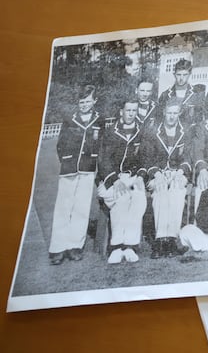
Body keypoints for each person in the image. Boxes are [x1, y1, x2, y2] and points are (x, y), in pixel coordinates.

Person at [48, 85, 103, 265]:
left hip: (87, 169)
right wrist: (67, 160)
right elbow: (60, 144)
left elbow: (100, 144)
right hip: (69, 168)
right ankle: (58, 248)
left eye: (88, 101)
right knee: (64, 207)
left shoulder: (98, 120)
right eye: (81, 102)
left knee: (81, 208)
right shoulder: (69, 119)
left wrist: (94, 162)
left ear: (94, 101)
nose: (84, 105)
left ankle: (75, 246)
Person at [139, 97, 191, 258]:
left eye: (175, 113)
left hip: (177, 173)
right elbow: (147, 157)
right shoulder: (154, 131)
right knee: (161, 193)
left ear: (180, 113)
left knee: (176, 192)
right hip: (158, 173)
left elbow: (188, 157)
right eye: (169, 113)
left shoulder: (186, 130)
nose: (172, 116)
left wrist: (180, 172)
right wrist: (157, 173)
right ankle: (161, 240)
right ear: (164, 112)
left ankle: (172, 239)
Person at [96, 99, 146, 264]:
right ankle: (116, 247)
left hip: (131, 177)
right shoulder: (110, 132)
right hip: (109, 179)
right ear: (121, 112)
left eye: (134, 110)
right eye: (128, 110)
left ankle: (130, 246)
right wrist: (115, 179)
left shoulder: (140, 131)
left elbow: (144, 159)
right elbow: (103, 161)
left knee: (139, 199)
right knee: (122, 198)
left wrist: (139, 176)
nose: (131, 113)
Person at [157, 58, 205, 126]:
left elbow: (201, 119)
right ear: (174, 74)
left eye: (185, 75)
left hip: (191, 133)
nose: (181, 78)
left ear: (189, 74)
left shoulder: (197, 94)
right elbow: (159, 118)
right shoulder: (165, 95)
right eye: (179, 75)